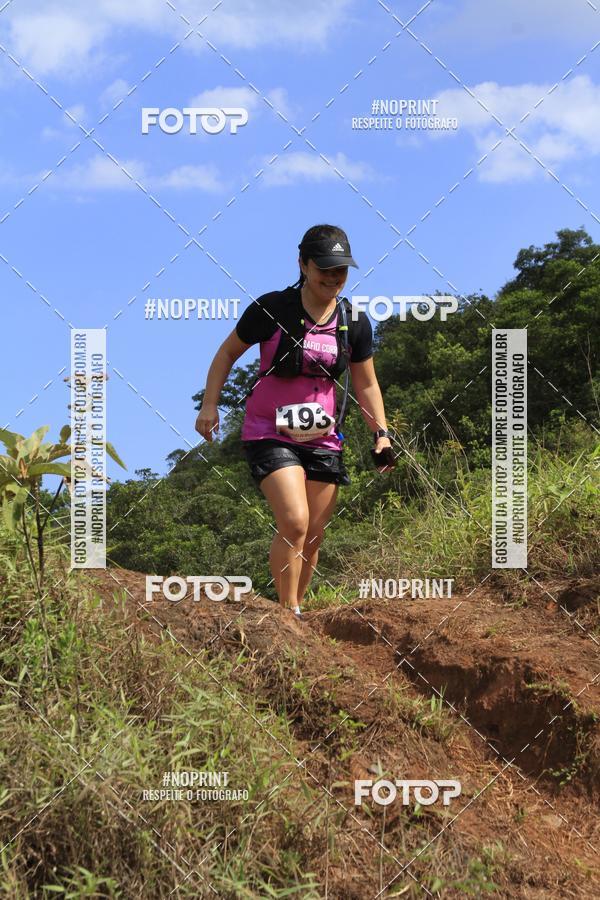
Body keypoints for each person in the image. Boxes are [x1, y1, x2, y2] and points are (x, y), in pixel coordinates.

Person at [195, 224, 394, 619]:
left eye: (341, 270)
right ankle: (287, 614)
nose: (333, 278)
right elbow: (225, 355)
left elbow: (366, 383)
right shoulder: (272, 308)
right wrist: (209, 406)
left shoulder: (353, 321)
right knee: (295, 521)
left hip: (322, 436)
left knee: (314, 532)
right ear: (302, 264)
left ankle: (297, 613)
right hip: (270, 432)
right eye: (325, 268)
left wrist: (381, 435)